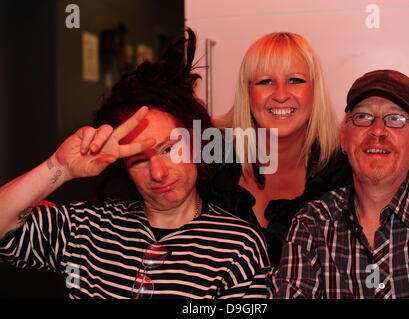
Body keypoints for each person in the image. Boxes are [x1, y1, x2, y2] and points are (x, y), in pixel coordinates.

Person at [0, 29, 269, 299]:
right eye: (139, 160)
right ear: (123, 168)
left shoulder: (238, 246)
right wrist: (59, 167)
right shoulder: (88, 226)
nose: (158, 172)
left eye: (168, 149)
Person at [267, 69, 409, 299]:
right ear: (343, 137)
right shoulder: (312, 225)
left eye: (396, 119)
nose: (377, 130)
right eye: (363, 117)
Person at [206, 32, 352, 266]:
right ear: (247, 92)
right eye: (265, 81)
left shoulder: (343, 171)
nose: (281, 95)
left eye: (295, 80)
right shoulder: (210, 158)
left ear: (315, 90)